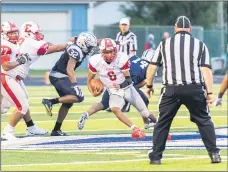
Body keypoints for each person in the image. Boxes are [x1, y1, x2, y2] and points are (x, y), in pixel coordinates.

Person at [146, 16, 221, 164]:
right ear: (190, 29)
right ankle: (214, 154)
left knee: (162, 123)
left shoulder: (164, 44)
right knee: (204, 120)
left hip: (171, 90)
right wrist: (210, 93)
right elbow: (206, 70)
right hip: (194, 88)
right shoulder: (199, 45)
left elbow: (152, 67)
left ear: (175, 28)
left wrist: (149, 86)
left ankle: (156, 157)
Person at [1, 21, 69, 140]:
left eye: (15, 32)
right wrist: (20, 61)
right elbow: (6, 65)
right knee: (20, 106)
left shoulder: (19, 41)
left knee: (23, 102)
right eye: (10, 33)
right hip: (7, 76)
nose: (14, 35)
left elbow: (47, 45)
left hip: (13, 77)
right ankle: (8, 131)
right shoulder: (6, 46)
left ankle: (31, 127)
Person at [83, 38, 155, 139]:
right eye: (106, 52)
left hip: (127, 88)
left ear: (115, 50)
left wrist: (120, 85)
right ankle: (135, 128)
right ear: (101, 52)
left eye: (111, 51)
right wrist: (92, 90)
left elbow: (129, 80)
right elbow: (89, 79)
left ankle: (160, 125)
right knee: (114, 109)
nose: (108, 54)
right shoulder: (95, 60)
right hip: (114, 90)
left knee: (145, 112)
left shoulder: (122, 58)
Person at [42, 32, 98, 136]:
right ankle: (50, 101)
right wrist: (75, 85)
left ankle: (56, 130)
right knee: (78, 97)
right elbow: (69, 69)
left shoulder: (79, 43)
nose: (91, 49)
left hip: (61, 75)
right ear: (83, 44)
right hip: (58, 75)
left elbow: (73, 38)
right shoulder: (76, 50)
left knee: (68, 102)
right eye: (89, 47)